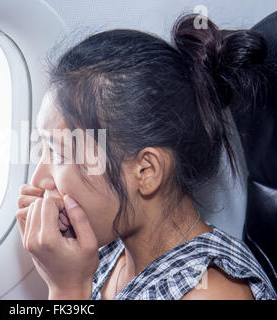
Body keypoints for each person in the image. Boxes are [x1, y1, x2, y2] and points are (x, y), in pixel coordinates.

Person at [15, 13, 277, 300]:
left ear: (145, 171)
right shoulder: (109, 250)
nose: (39, 179)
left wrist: (66, 288)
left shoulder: (212, 292)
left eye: (60, 153)